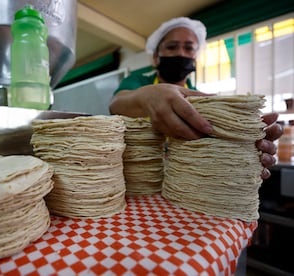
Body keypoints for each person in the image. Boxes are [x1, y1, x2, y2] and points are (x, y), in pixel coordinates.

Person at [109, 17, 283, 179]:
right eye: (171, 47)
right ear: (155, 57)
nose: (181, 53)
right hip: (135, 179)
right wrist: (148, 97)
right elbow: (116, 104)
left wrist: (241, 145)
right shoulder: (138, 81)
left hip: (182, 181)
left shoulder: (201, 101)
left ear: (195, 56)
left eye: (189, 48)